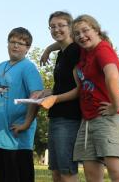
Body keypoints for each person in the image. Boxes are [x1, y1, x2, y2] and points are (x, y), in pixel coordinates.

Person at [39, 15, 119, 182]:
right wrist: (48, 49)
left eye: (85, 31)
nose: (81, 36)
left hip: (109, 118)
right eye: (77, 33)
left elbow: (112, 76)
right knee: (92, 176)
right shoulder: (84, 52)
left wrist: (115, 105)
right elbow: (64, 41)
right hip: (88, 121)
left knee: (116, 172)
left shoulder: (102, 49)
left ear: (96, 30)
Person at [0, 27, 43, 182]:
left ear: (27, 48)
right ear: (8, 44)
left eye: (21, 43)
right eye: (13, 42)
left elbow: (36, 96)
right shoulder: (0, 66)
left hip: (16, 136)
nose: (16, 46)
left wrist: (27, 123)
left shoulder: (28, 67)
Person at [35, 11, 82, 182]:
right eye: (53, 26)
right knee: (55, 172)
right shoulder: (62, 53)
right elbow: (63, 85)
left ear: (71, 27)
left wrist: (54, 99)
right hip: (56, 117)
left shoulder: (75, 51)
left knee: (67, 172)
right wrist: (47, 93)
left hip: (69, 118)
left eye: (61, 25)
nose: (56, 29)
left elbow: (79, 89)